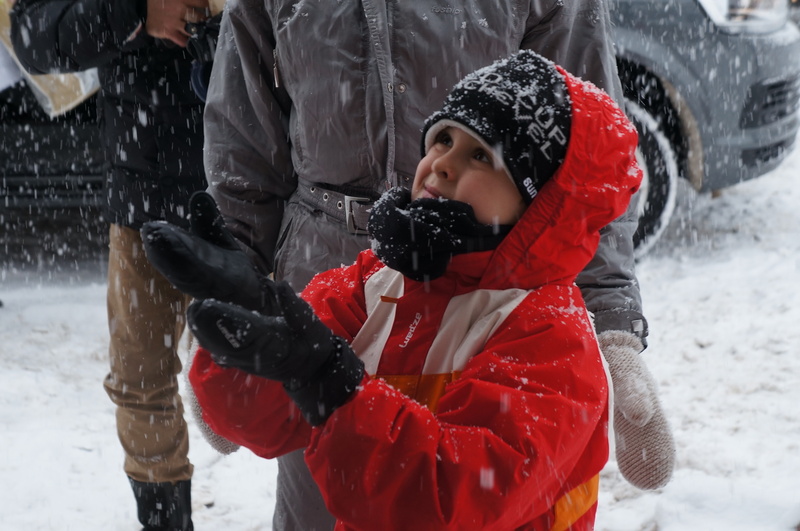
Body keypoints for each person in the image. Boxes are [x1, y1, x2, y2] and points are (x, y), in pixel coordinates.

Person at [161, 0, 674, 528]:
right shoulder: (374, 285)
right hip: (319, 242)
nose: (443, 165)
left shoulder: (548, 336)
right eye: (443, 139)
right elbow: (260, 413)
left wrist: (330, 385)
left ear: (539, 198)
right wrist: (244, 319)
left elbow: (445, 500)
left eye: (482, 156)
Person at [10, 0, 216, 528]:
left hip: (263, 187)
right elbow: (35, 36)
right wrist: (136, 10)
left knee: (300, 375)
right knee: (141, 379)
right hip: (145, 194)